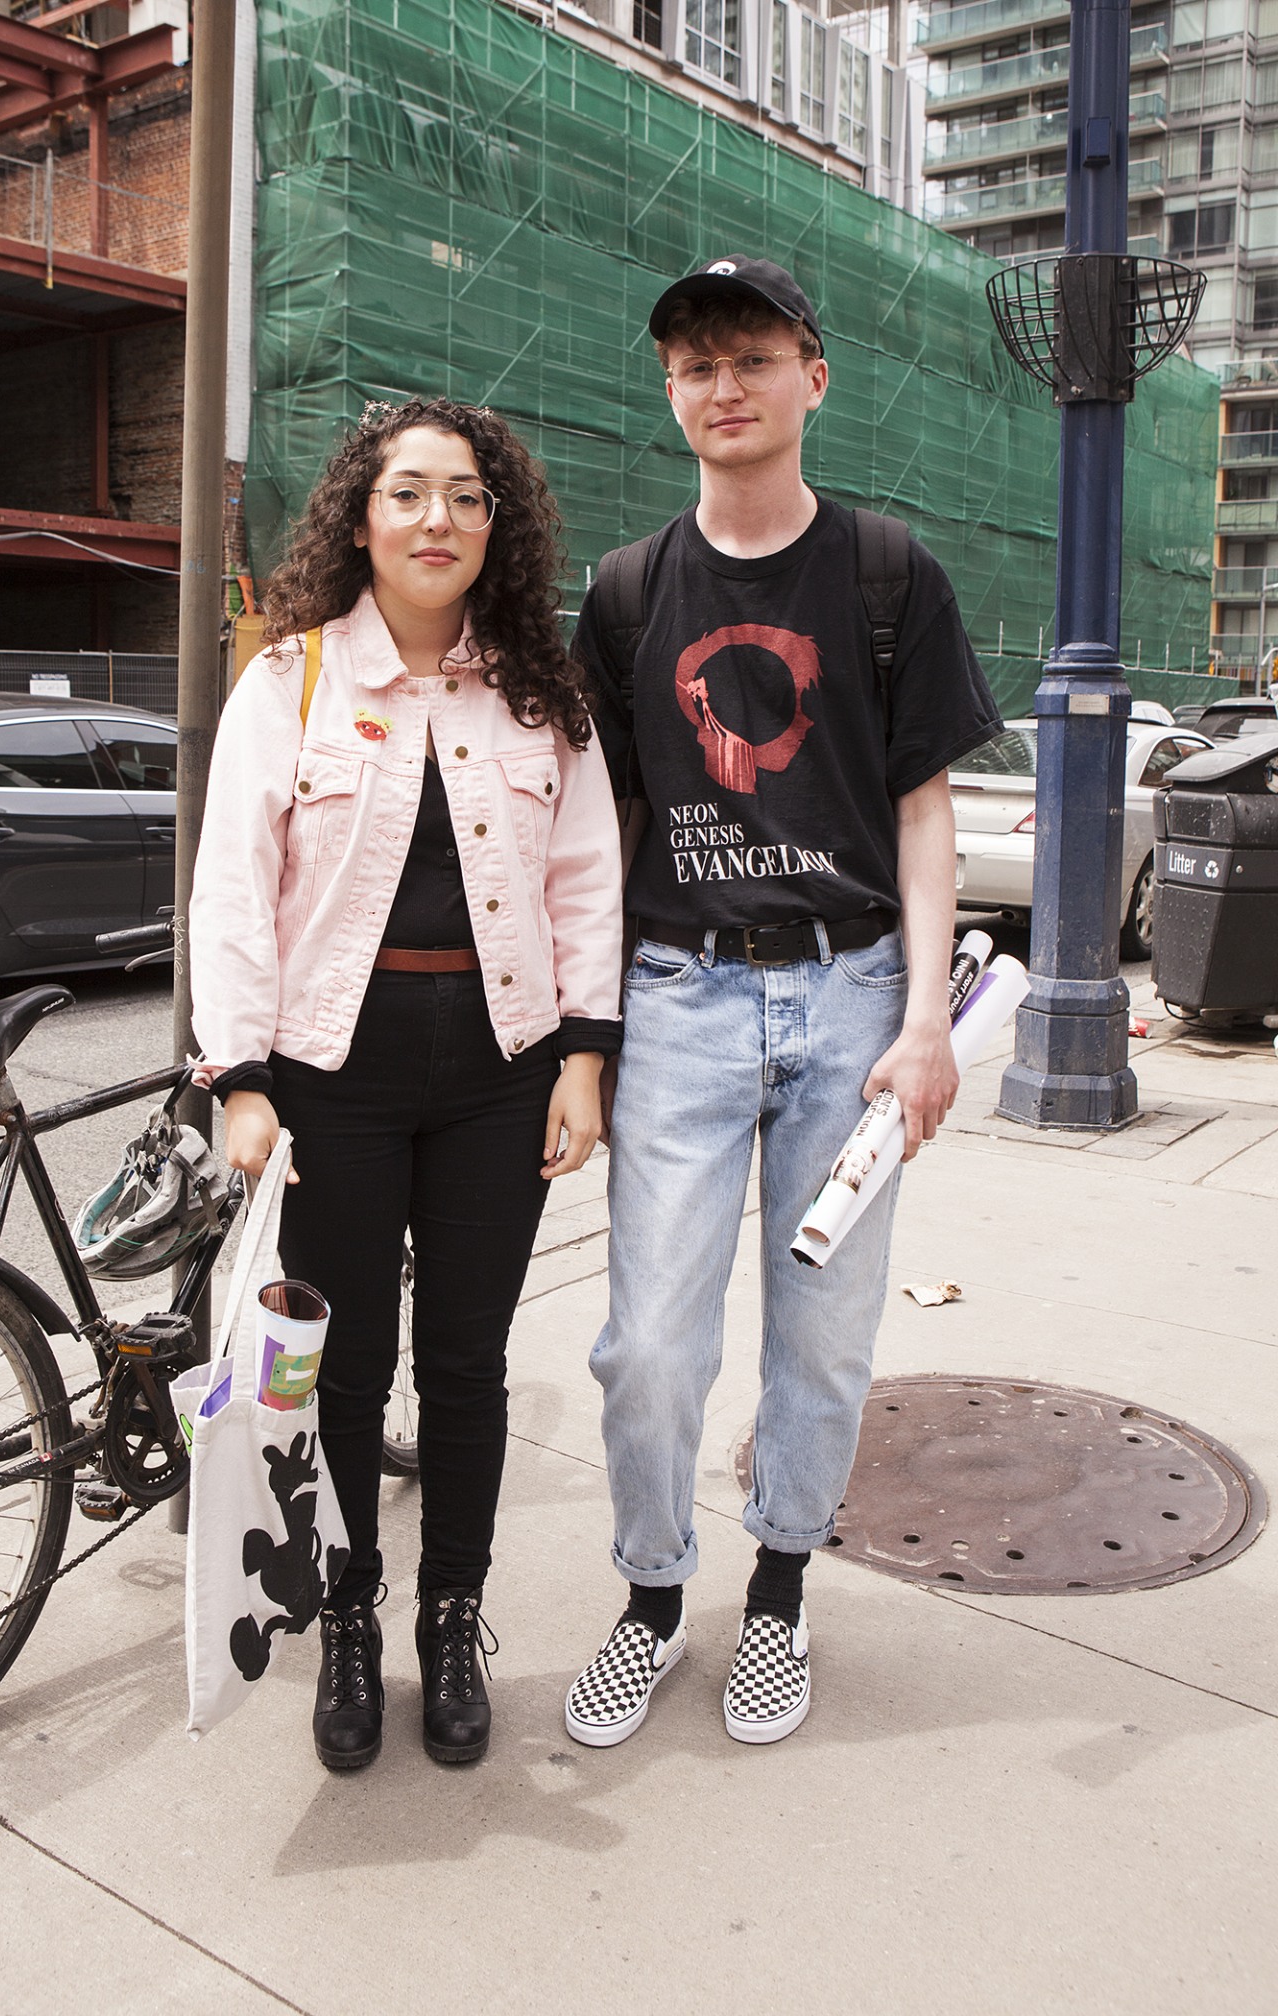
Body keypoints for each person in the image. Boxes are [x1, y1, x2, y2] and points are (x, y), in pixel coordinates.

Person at [563, 257, 1002, 1750]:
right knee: (648, 1346)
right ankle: (648, 1593)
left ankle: (777, 1595)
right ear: (672, 392)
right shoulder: (627, 593)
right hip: (682, 997)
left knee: (820, 1339)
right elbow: (602, 826)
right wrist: (591, 1032)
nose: (722, 385)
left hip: (856, 999)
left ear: (814, 377)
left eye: (751, 356)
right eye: (695, 363)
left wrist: (927, 1022)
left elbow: (925, 808)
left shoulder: (888, 574)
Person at [190, 396, 623, 1771]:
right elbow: (232, 893)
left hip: (501, 1073)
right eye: (410, 495)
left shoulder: (544, 694)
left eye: (468, 498)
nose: (440, 520)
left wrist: (583, 1057)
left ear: (501, 527)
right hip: (338, 1084)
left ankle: (453, 1619)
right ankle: (355, 1624)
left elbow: (587, 881)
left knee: (468, 1369)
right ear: (362, 519)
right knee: (345, 1369)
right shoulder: (293, 681)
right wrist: (241, 1079)